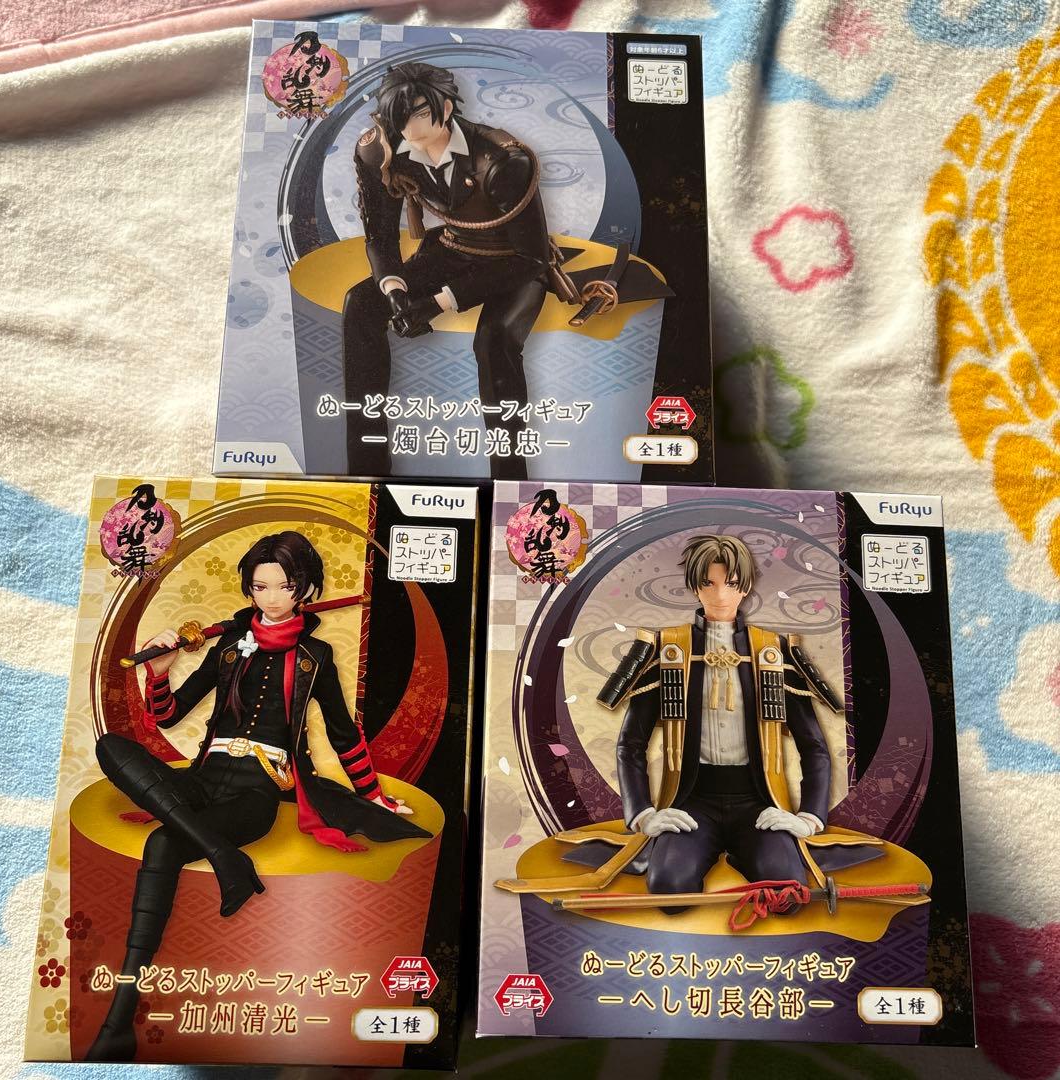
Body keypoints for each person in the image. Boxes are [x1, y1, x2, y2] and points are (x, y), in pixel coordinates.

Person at [87, 530, 428, 1061]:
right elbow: (171, 715)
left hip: (257, 791)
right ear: (248, 589)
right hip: (203, 777)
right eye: (260, 586)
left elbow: (343, 733)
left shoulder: (315, 656)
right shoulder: (227, 646)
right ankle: (225, 857)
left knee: (162, 844)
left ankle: (117, 1019)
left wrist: (373, 795)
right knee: (111, 747)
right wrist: (158, 673)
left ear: (305, 589)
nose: (271, 598)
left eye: (284, 587)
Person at [343, 61, 568, 480]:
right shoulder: (381, 150)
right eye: (396, 117)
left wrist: (438, 302)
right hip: (454, 248)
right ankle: (366, 471)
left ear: (445, 108)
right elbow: (380, 234)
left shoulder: (503, 160)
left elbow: (532, 259)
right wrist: (395, 289)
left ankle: (509, 479)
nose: (407, 128)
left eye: (417, 113)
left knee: (494, 340)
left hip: (513, 263)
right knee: (361, 302)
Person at [613, 534, 841, 910]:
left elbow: (813, 746)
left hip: (758, 801)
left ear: (746, 587)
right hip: (690, 800)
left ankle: (746, 853)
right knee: (670, 890)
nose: (720, 595)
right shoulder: (669, 650)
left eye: (731, 583)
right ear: (695, 586)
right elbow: (630, 744)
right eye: (709, 583)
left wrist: (809, 817)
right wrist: (643, 814)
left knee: (787, 895)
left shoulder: (773, 652)